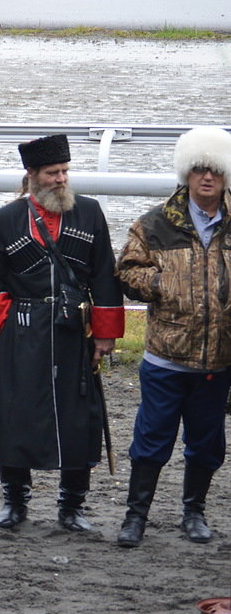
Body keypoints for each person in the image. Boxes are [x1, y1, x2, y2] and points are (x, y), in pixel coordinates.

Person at [0, 134, 124, 531]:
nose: (61, 179)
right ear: (32, 175)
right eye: (53, 173)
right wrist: (7, 322)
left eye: (65, 171)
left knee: (78, 416)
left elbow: (104, 276)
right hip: (23, 332)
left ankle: (72, 507)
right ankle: (15, 502)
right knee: (14, 415)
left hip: (73, 333)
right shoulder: (6, 219)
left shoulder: (90, 212)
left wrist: (104, 335)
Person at [115, 125, 231, 547]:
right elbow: (126, 271)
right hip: (166, 357)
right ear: (186, 173)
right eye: (199, 169)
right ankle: (135, 516)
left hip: (218, 360)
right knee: (151, 440)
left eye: (214, 171)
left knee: (206, 442)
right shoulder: (155, 223)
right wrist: (163, 283)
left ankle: (193, 511)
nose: (206, 178)